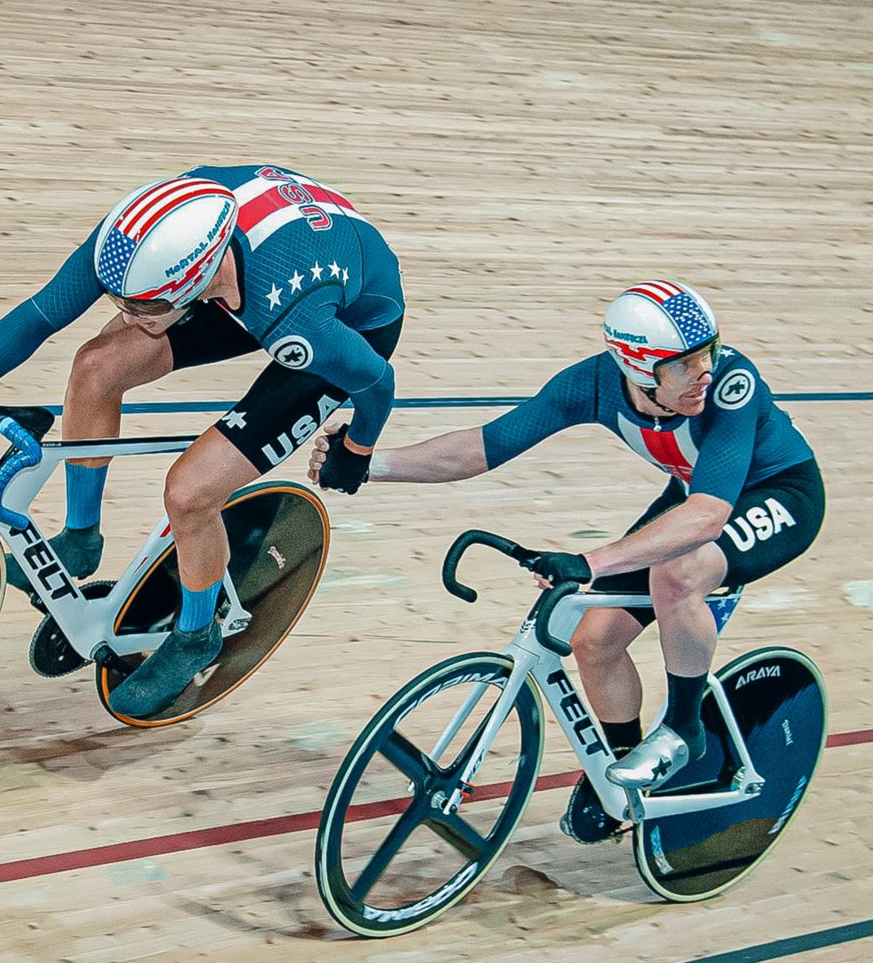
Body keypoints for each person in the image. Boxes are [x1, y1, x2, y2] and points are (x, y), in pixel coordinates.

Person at [0, 165, 405, 717]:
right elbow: (40, 315)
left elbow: (378, 383)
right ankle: (82, 535)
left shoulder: (298, 320)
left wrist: (358, 449)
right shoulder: (138, 234)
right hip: (251, 269)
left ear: (194, 284)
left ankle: (196, 634)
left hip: (346, 319)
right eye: (119, 300)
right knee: (96, 363)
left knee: (189, 492)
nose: (124, 316)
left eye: (143, 306)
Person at [307, 279, 824, 842]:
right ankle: (622, 781)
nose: (704, 371)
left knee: (677, 572)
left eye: (710, 352)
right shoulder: (594, 385)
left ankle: (683, 728)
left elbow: (706, 518)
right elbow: (482, 445)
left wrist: (589, 559)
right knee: (593, 640)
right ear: (638, 369)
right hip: (692, 493)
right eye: (684, 365)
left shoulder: (730, 385)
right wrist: (368, 466)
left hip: (778, 494)